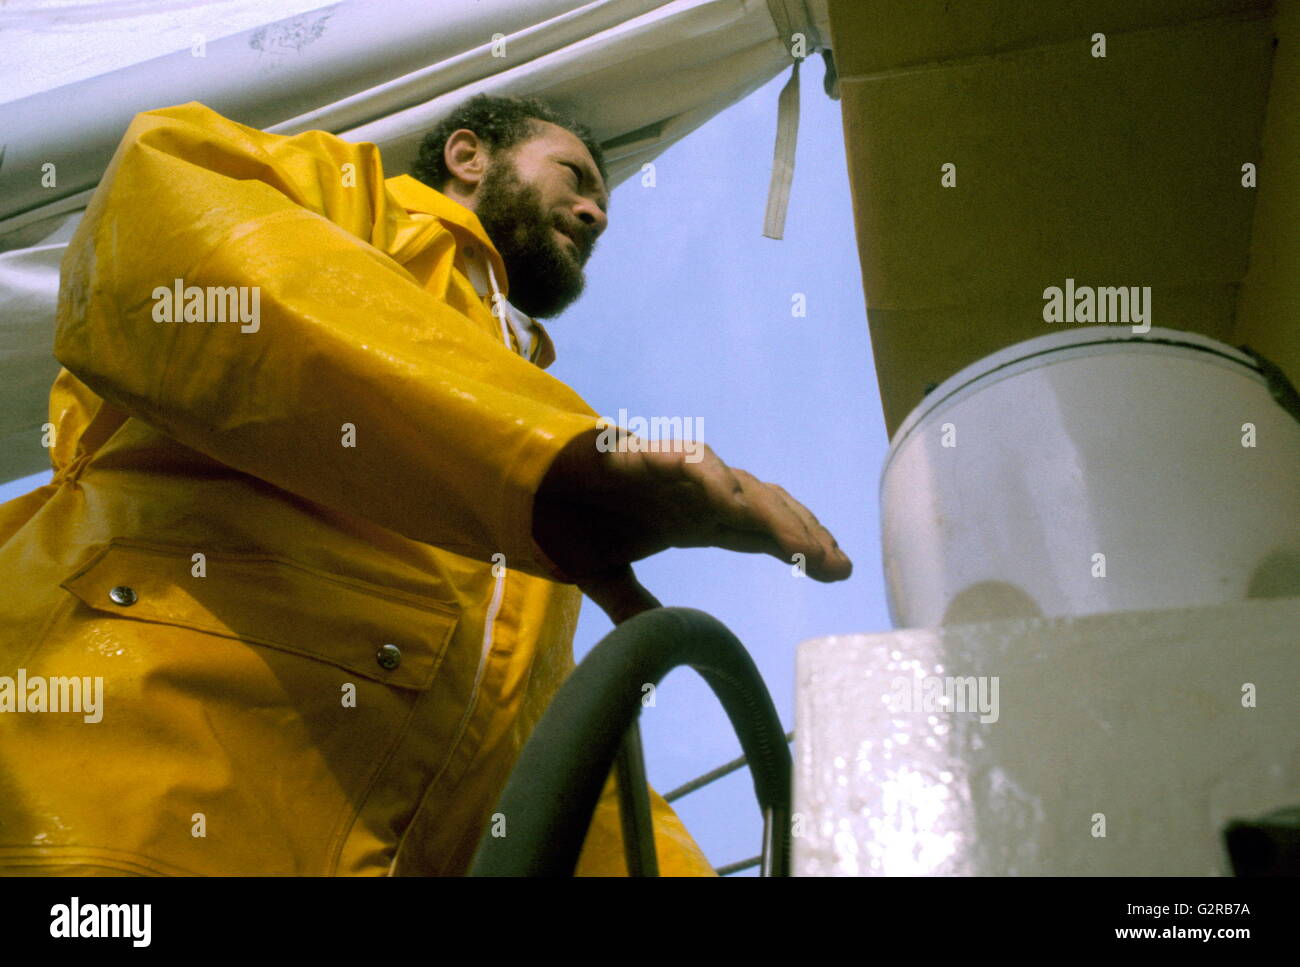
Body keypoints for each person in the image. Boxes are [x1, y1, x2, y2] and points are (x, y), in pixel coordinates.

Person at [0, 94, 851, 877]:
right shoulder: (344, 200)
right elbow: (169, 230)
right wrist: (540, 453)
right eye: (576, 177)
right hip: (113, 817)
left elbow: (536, 760)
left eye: (603, 205)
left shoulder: (526, 417)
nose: (596, 212)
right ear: (469, 155)